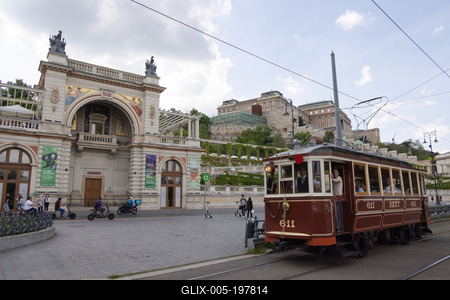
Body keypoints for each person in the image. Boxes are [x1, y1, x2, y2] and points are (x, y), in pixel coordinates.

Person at [331, 168, 343, 233]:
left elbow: (336, 180)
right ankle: (337, 226)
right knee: (335, 213)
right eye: (334, 172)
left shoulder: (339, 178)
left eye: (336, 172)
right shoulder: (334, 180)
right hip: (334, 199)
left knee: (337, 213)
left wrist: (331, 178)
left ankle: (338, 227)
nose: (335, 173)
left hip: (338, 199)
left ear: (338, 173)